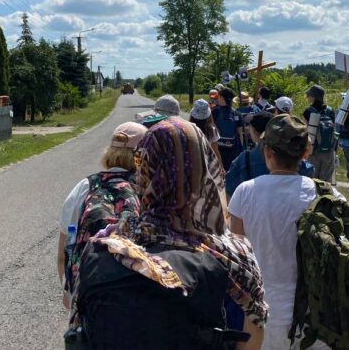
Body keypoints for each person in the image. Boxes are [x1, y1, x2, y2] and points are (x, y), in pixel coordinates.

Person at [73, 118, 268, 349]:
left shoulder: (107, 243)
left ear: (144, 168)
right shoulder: (236, 256)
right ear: (204, 167)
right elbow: (251, 340)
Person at [229, 115, 337, 350]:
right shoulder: (327, 195)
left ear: (267, 152)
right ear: (304, 153)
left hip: (263, 320)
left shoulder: (244, 193)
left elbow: (237, 261)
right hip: (316, 321)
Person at [57, 121, 148, 308]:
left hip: (89, 288)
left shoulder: (86, 186)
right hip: (137, 292)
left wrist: (68, 290)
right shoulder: (148, 189)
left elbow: (64, 250)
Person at [225, 111, 314, 198]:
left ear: (267, 152)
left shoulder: (244, 160)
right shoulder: (313, 187)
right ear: (304, 153)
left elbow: (230, 194)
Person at [302, 85, 336, 183]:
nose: (307, 97)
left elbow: (304, 131)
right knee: (326, 181)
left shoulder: (308, 111)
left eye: (308, 95)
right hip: (329, 150)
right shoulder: (330, 111)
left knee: (312, 179)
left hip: (313, 150)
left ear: (313, 96)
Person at [212, 87, 242, 171]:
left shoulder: (214, 111)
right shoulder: (236, 113)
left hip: (218, 148)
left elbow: (212, 129)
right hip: (233, 148)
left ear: (221, 97)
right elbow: (240, 134)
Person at [190, 98, 223, 168]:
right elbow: (216, 150)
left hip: (193, 162)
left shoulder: (189, 128)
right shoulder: (212, 130)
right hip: (208, 162)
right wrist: (221, 166)